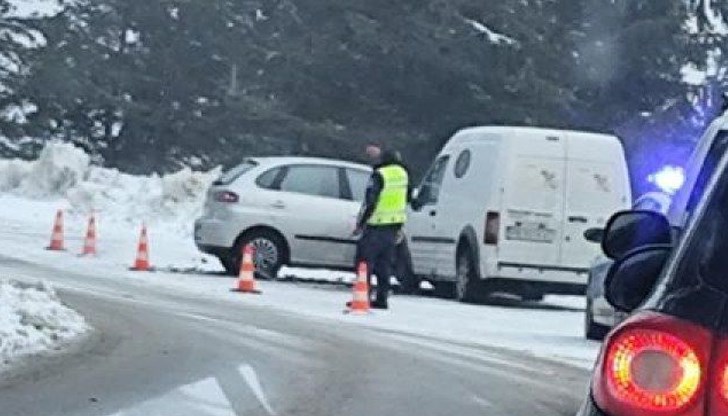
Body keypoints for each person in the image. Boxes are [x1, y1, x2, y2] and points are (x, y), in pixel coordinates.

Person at [353, 148, 410, 309]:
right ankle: (382, 298)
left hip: (376, 225)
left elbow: (371, 201)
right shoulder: (403, 174)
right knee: (384, 264)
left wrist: (361, 223)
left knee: (364, 262)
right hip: (393, 226)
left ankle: (363, 296)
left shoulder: (380, 175)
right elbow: (408, 198)